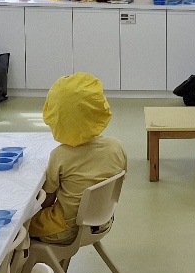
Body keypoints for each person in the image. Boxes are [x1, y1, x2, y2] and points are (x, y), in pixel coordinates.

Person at [28, 72, 127, 245]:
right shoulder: (116, 147)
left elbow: (46, 201)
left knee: (16, 227)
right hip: (102, 222)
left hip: (64, 230)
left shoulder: (60, 155)